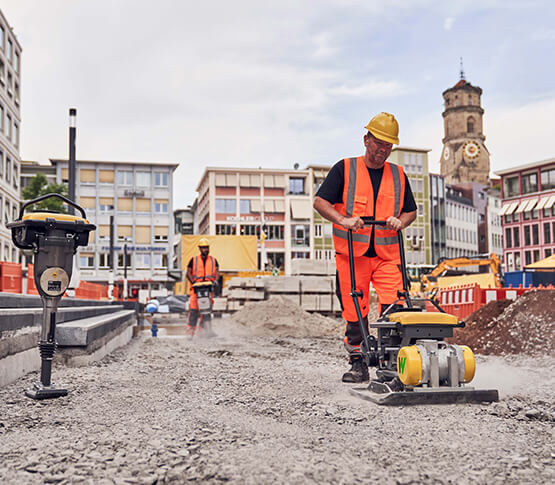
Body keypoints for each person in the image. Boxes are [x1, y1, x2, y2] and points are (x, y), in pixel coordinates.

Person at [313, 112, 417, 383]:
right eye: (379, 142)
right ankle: (358, 364)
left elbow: (411, 212)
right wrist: (343, 220)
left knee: (395, 308)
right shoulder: (344, 169)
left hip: (387, 255)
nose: (383, 149)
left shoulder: (398, 175)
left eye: (388, 145)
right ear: (366, 139)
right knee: (354, 311)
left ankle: (391, 364)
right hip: (352, 255)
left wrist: (400, 221)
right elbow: (320, 202)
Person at [186, 238, 219, 337]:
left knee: (206, 311)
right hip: (196, 289)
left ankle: (204, 332)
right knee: (194, 311)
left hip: (208, 289)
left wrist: (216, 281)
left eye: (207, 247)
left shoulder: (213, 260)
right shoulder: (194, 260)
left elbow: (217, 271)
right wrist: (193, 282)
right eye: (203, 248)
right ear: (200, 249)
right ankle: (190, 332)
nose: (205, 250)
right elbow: (188, 272)